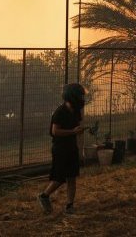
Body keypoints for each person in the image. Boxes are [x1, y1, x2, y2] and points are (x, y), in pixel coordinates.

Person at [38, 83, 86, 215]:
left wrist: (79, 131)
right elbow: (55, 131)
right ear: (72, 96)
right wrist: (73, 132)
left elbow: (75, 128)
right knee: (59, 178)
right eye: (79, 96)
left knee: (72, 177)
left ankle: (69, 206)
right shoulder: (60, 112)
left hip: (72, 147)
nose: (82, 98)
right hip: (60, 149)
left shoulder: (76, 111)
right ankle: (44, 196)